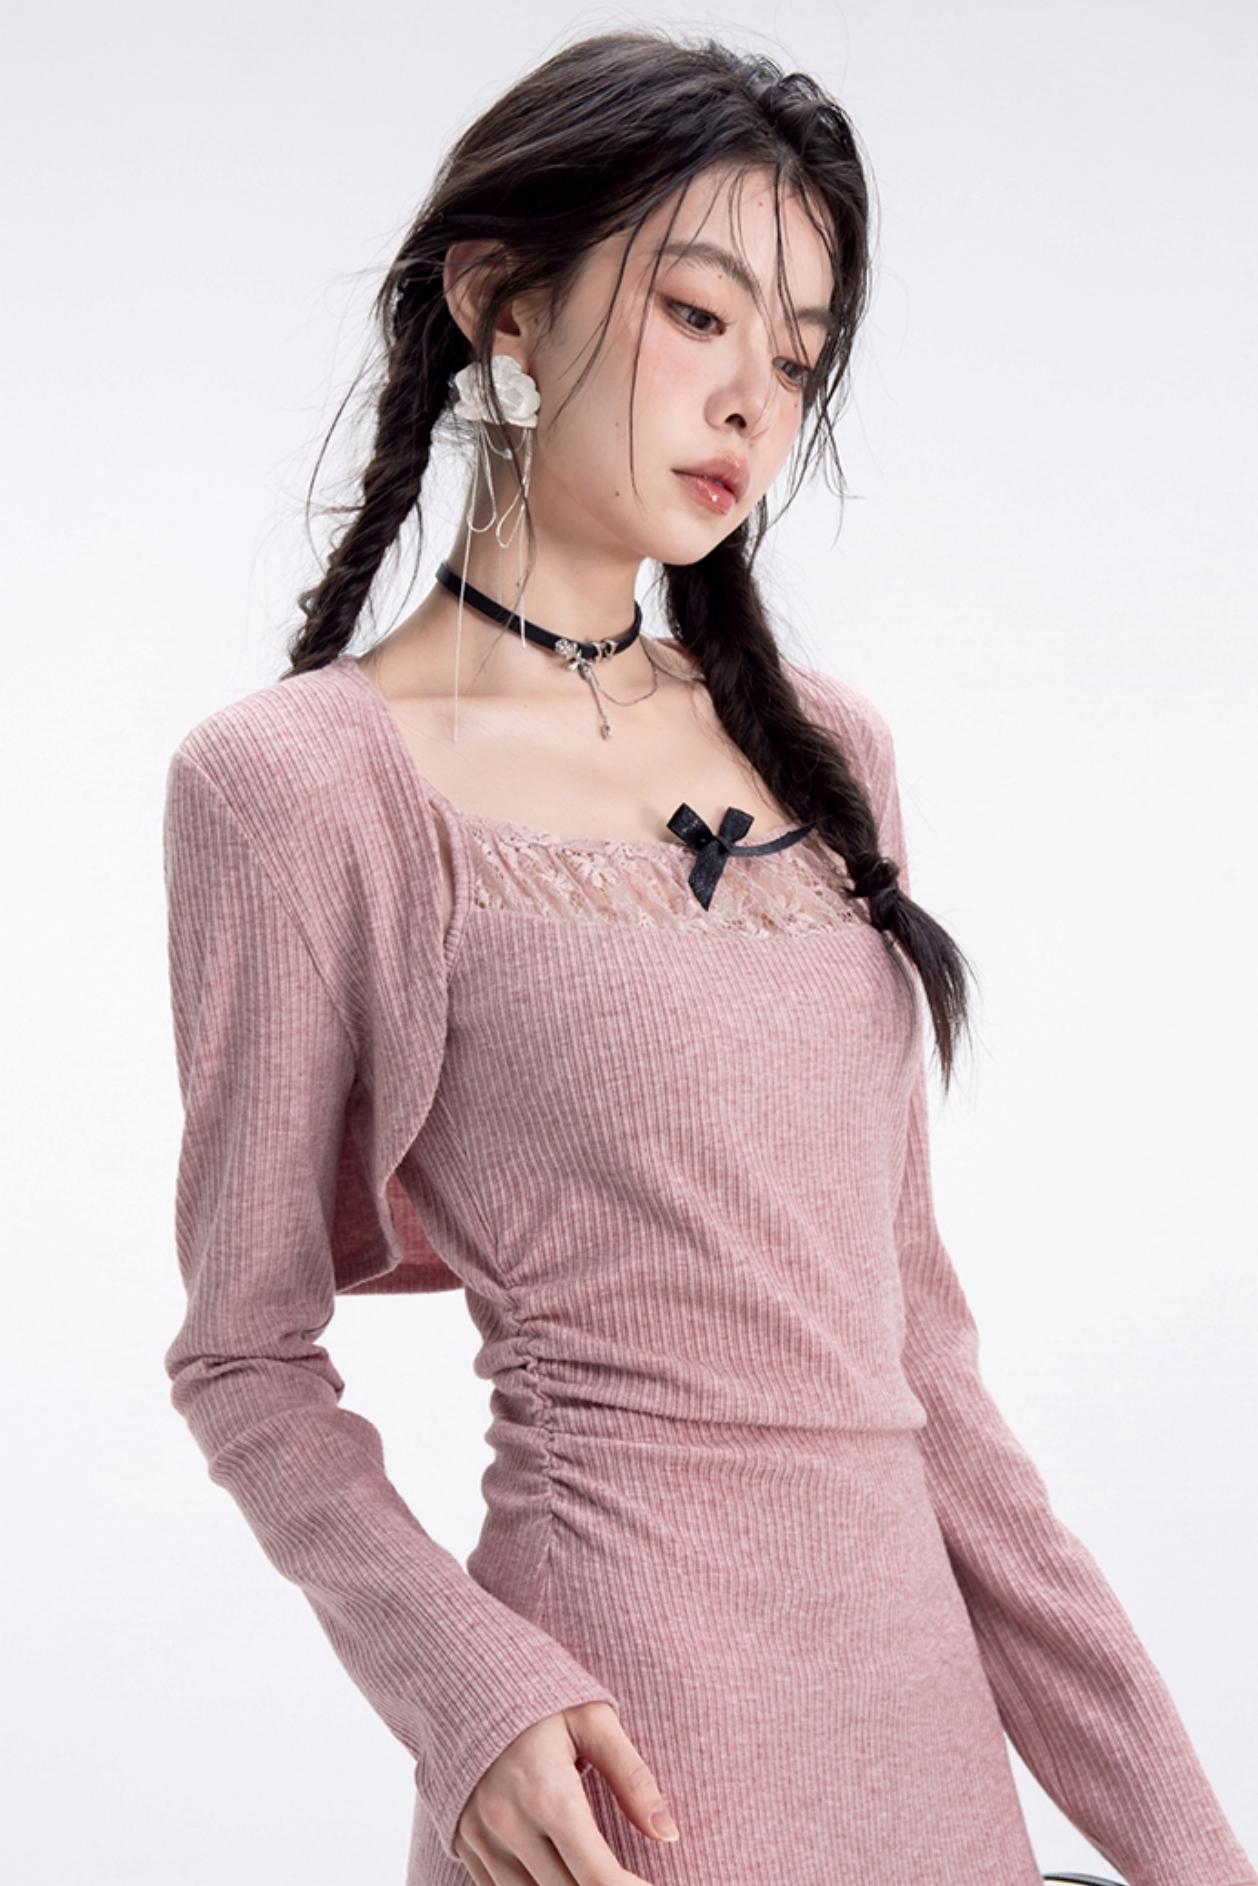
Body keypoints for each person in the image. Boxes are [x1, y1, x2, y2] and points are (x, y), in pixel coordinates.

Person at [160, 27, 1256, 1886]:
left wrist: (1192, 1846)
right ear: (501, 300)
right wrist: (467, 1688)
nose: (752, 400)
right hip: (622, 1759)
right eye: (695, 314)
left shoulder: (829, 755)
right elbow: (242, 1355)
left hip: (923, 1753)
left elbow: (921, 1371)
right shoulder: (299, 786)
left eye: (798, 358)